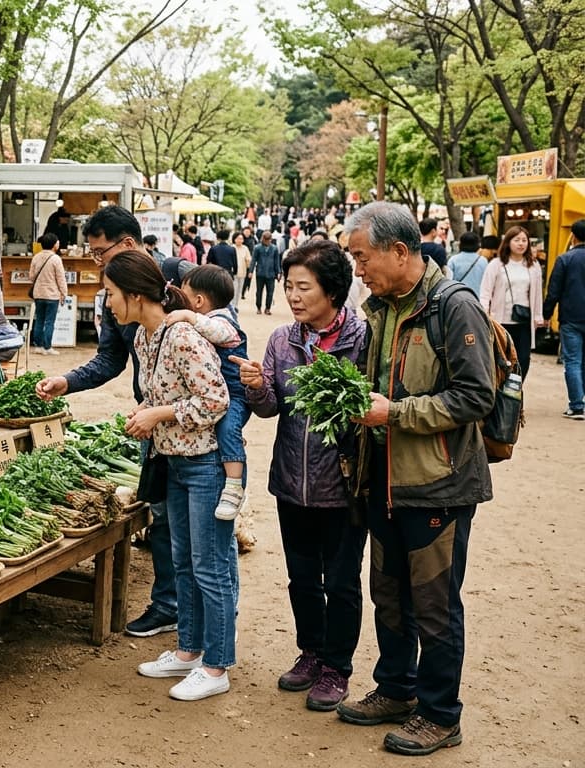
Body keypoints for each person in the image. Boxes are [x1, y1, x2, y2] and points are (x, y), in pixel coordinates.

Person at [340, 201, 494, 756]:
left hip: (438, 483)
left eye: (361, 257)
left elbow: (477, 396)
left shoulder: (453, 307)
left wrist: (396, 414)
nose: (356, 269)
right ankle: (396, 689)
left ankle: (440, 714)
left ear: (399, 251)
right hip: (382, 479)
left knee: (434, 605)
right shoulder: (378, 306)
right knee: (389, 595)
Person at [234, 239, 370, 713]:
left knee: (343, 581)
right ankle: (311, 653)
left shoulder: (362, 340)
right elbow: (272, 408)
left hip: (343, 486)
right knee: (302, 579)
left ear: (332, 290)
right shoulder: (281, 340)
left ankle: (337, 668)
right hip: (292, 481)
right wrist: (256, 386)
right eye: (289, 286)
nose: (292, 296)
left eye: (303, 287)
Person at [35, 206, 178, 638]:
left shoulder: (180, 281)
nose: (96, 262)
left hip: (186, 425)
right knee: (162, 515)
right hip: (149, 424)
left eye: (100, 253)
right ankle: (168, 604)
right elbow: (110, 358)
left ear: (129, 245)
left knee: (186, 522)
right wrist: (67, 380)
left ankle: (185, 613)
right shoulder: (112, 295)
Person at [109, 250, 234, 702]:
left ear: (137, 295)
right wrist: (145, 411)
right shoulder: (143, 338)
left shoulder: (181, 335)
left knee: (209, 568)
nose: (107, 303)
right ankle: (188, 652)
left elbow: (214, 401)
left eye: (111, 294)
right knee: (183, 562)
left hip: (203, 465)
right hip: (172, 462)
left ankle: (217, 665)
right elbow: (165, 393)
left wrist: (160, 412)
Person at [165, 266, 248, 521]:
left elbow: (218, 333)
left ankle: (234, 487)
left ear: (198, 301)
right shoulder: (212, 319)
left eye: (185, 295)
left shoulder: (223, 321)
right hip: (221, 393)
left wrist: (189, 318)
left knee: (227, 429)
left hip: (234, 395)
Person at [479, 225, 544, 380]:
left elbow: (537, 294)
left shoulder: (533, 265)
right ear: (508, 242)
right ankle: (502, 395)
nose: (521, 244)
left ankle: (516, 394)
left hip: (523, 321)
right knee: (501, 360)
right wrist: (484, 313)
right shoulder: (496, 264)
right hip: (500, 321)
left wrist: (538, 316)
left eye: (524, 240)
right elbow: (486, 291)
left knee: (523, 360)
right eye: (517, 240)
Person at [546, 219, 585, 419]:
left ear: (574, 236)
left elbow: (554, 291)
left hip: (571, 317)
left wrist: (546, 314)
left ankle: (577, 405)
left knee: (573, 360)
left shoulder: (565, 259)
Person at [29, 232, 66, 356]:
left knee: (39, 320)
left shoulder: (36, 257)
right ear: (54, 244)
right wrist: (64, 293)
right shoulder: (56, 259)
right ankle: (47, 347)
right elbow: (61, 278)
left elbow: (31, 276)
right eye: (57, 242)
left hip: (38, 294)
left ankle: (38, 346)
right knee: (49, 321)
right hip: (52, 295)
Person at [445, 231, 485, 296]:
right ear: (477, 244)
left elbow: (448, 280)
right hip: (477, 297)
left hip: (458, 296)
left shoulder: (453, 260)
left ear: (461, 244)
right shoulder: (483, 260)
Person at [253, 231, 281, 314]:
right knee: (259, 292)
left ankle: (267, 308)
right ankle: (258, 307)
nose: (267, 241)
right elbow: (254, 260)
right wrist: (251, 271)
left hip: (271, 273)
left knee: (270, 292)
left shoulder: (275, 248)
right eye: (266, 239)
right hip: (260, 273)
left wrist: (278, 272)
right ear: (262, 239)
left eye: (269, 240)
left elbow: (277, 262)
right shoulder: (257, 248)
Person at [234, 231, 254, 300]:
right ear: (234, 239)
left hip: (242, 273)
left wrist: (250, 269)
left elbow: (249, 259)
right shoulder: (232, 248)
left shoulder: (245, 248)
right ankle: (233, 307)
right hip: (233, 273)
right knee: (234, 290)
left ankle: (235, 306)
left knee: (239, 291)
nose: (240, 240)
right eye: (238, 238)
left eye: (241, 239)